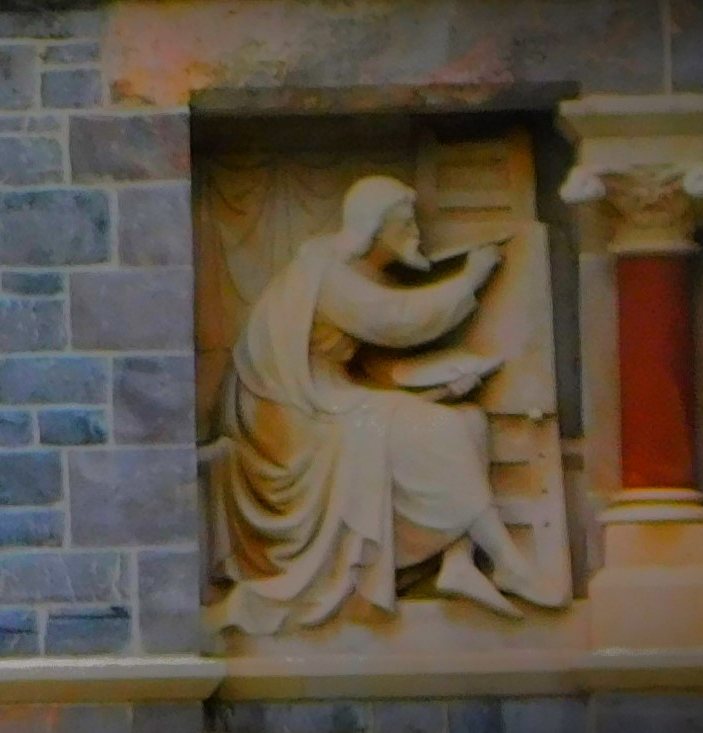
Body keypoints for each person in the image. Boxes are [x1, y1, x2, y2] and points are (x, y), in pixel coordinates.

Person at [209, 176, 542, 634]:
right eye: (405, 224)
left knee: (468, 420)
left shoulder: (354, 272)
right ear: (374, 227)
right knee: (435, 429)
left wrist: (441, 385)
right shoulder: (325, 271)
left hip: (331, 395)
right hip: (291, 422)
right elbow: (398, 321)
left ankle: (459, 560)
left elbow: (379, 364)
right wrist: (471, 278)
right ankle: (508, 562)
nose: (416, 233)